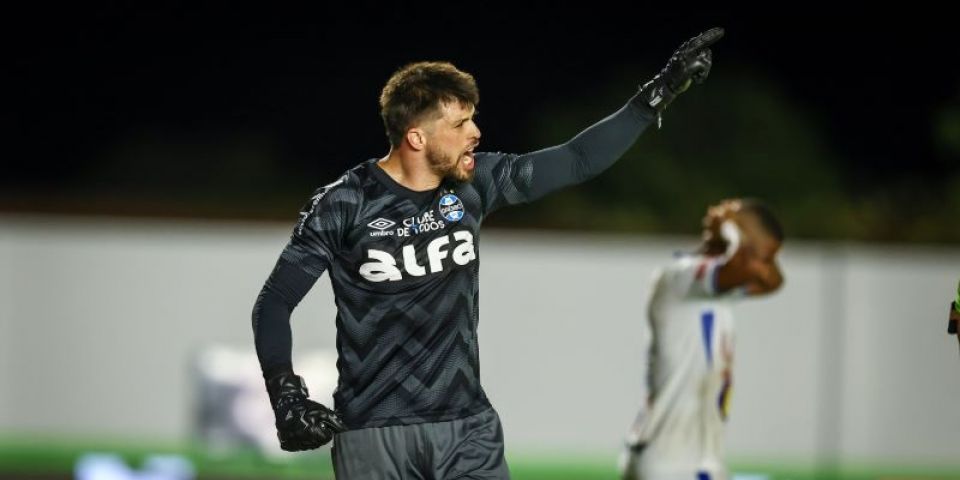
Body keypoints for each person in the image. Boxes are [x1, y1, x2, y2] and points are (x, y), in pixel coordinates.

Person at [252, 27, 724, 479]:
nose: (475, 131)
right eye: (460, 123)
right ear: (416, 137)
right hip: (373, 433)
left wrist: (654, 96)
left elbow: (578, 160)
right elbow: (274, 302)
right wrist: (285, 396)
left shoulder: (476, 184)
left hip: (467, 429)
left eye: (473, 118)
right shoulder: (344, 203)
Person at [619, 198, 784, 480]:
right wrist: (736, 231)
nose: (763, 266)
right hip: (668, 462)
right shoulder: (680, 277)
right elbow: (746, 269)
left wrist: (736, 232)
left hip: (696, 461)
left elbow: (772, 281)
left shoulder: (723, 292)